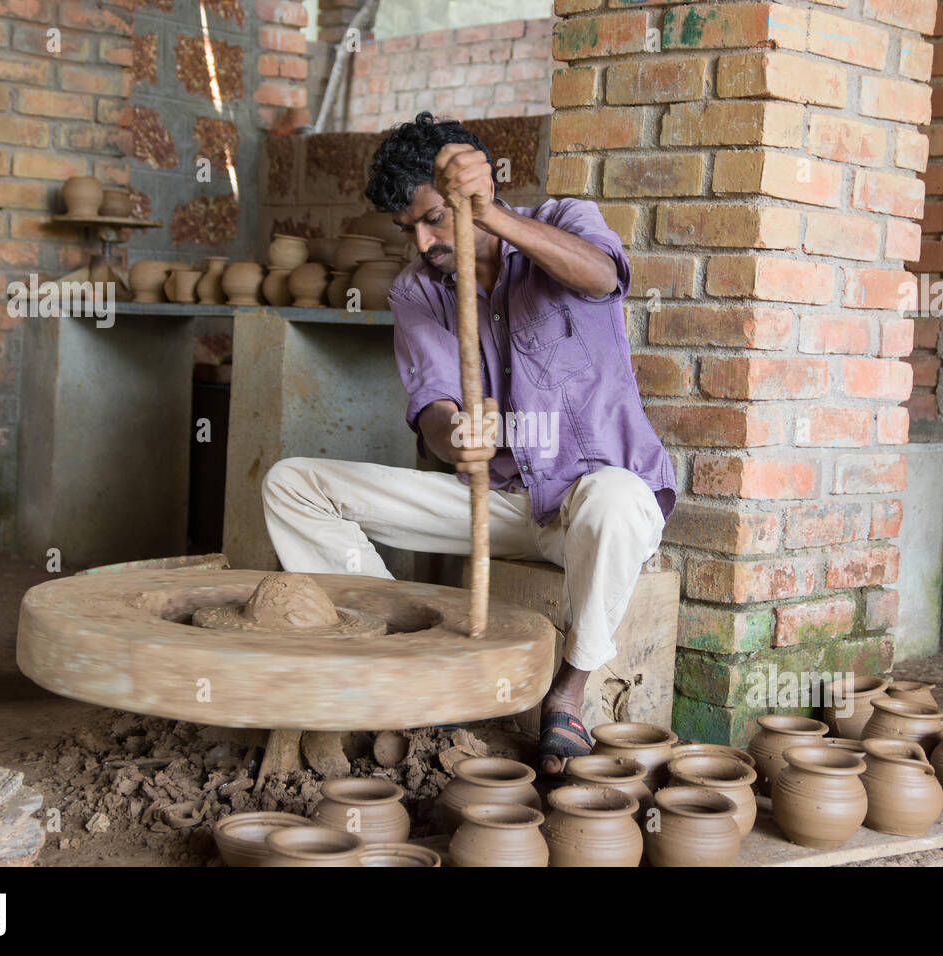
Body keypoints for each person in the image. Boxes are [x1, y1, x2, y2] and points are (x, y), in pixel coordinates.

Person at [261, 112, 676, 776]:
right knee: (292, 484)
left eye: (434, 219)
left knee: (621, 501)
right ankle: (407, 659)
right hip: (501, 500)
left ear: (476, 193)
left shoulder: (565, 220)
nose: (424, 242)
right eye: (408, 231)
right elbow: (432, 407)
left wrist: (491, 218)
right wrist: (457, 436)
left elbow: (602, 278)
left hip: (587, 498)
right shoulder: (415, 290)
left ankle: (571, 687)